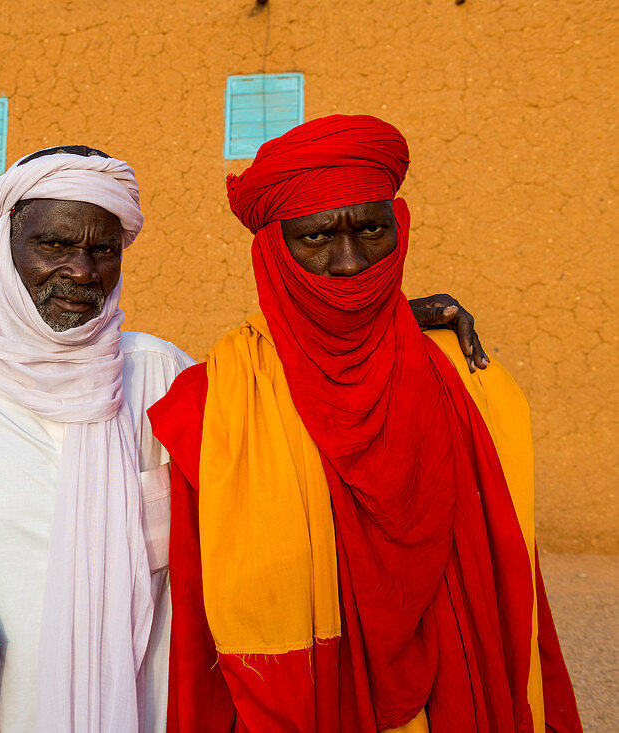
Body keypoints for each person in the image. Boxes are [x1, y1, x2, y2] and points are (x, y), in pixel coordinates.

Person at [0, 145, 486, 732]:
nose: (82, 271)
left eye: (104, 250)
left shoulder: (162, 374)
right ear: (3, 247)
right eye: (54, 245)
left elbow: (286, 394)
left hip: (153, 704)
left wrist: (381, 317)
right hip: (7, 708)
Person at [148, 115, 582, 732]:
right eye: (317, 237)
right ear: (274, 248)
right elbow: (195, 631)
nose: (349, 263)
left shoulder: (464, 380)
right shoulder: (214, 404)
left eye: (371, 230)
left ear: (398, 229)